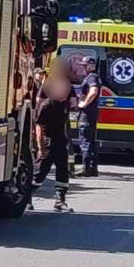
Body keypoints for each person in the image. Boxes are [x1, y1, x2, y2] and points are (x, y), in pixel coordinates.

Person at [33, 57, 77, 212]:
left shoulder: (64, 96)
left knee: (62, 169)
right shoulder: (46, 104)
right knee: (40, 172)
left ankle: (60, 201)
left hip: (60, 140)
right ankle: (26, 198)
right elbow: (38, 126)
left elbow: (73, 103)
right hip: (48, 142)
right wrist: (40, 147)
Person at [77, 56, 101, 177]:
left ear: (91, 66)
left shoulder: (91, 77)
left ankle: (85, 169)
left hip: (87, 114)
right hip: (91, 113)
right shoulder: (94, 77)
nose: (83, 67)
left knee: (85, 141)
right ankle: (92, 168)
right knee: (91, 141)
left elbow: (94, 91)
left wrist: (84, 103)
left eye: (85, 65)